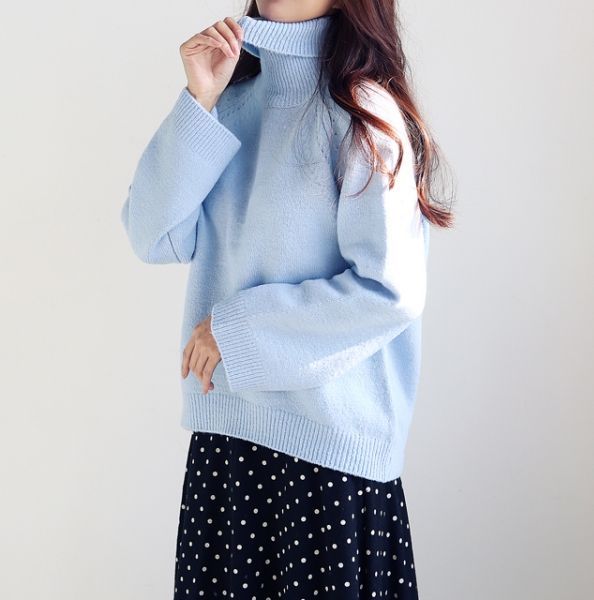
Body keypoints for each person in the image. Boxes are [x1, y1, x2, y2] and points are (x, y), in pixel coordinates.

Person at [121, 0, 453, 597]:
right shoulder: (229, 100)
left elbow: (390, 291)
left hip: (326, 468)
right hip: (227, 451)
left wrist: (237, 331)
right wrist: (198, 99)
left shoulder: (363, 111)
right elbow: (152, 235)